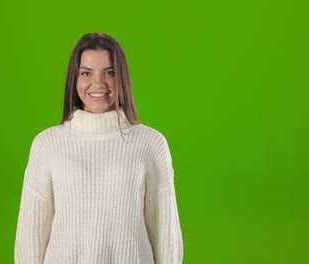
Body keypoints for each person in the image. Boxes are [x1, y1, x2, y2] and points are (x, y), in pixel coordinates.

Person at [14, 32, 183, 264]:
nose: (98, 84)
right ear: (74, 79)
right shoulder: (47, 145)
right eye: (86, 73)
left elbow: (167, 237)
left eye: (109, 73)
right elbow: (30, 240)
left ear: (121, 78)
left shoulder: (150, 143)